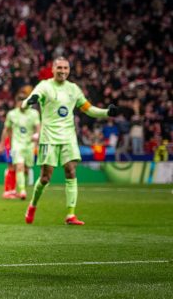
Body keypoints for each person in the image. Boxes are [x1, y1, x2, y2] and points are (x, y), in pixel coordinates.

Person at [22, 57, 118, 225]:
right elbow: (29, 100)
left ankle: (70, 215)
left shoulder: (73, 89)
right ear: (53, 69)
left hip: (68, 137)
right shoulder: (45, 86)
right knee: (45, 178)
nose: (62, 71)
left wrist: (106, 113)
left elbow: (89, 109)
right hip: (49, 137)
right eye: (59, 67)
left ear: (69, 70)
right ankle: (32, 205)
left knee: (71, 171)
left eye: (66, 68)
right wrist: (29, 102)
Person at [0, 92, 40, 200]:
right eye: (19, 101)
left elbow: (38, 127)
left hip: (29, 145)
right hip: (15, 145)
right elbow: (6, 129)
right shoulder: (12, 114)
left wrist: (37, 138)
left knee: (25, 169)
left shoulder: (34, 113)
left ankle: (13, 189)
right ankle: (19, 191)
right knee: (16, 166)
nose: (21, 104)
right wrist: (2, 144)